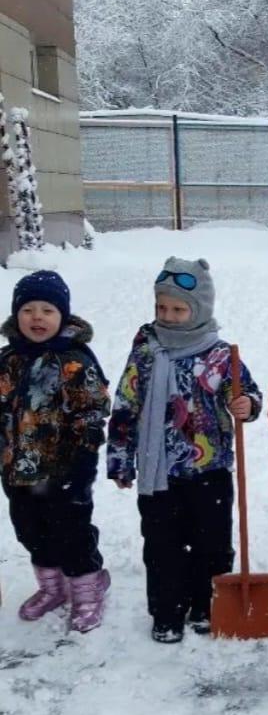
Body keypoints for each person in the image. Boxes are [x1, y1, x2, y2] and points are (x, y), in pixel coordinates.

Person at [107, 258, 262, 643]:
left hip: (210, 469)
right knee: (162, 546)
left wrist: (247, 405)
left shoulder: (222, 354)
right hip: (159, 473)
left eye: (178, 309)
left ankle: (207, 603)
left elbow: (246, 393)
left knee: (212, 541)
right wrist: (120, 460)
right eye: (162, 307)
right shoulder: (145, 352)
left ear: (200, 309)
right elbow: (125, 406)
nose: (169, 317)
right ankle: (166, 610)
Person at [0, 270, 111, 632]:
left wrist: (83, 463)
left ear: (62, 316)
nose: (37, 317)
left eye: (47, 310)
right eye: (28, 309)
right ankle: (52, 588)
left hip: (64, 471)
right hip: (17, 470)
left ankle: (88, 590)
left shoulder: (75, 361)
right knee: (30, 531)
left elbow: (92, 410)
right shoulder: (7, 360)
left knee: (72, 532)